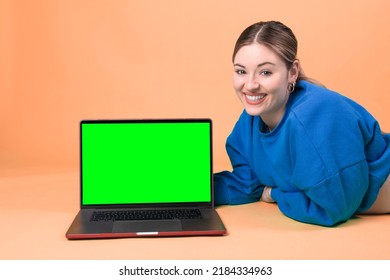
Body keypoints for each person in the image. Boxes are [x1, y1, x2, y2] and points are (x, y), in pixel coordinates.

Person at [213, 20, 390, 226]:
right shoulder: (251, 120)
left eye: (265, 72)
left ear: (293, 72)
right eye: (241, 71)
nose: (250, 85)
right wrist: (189, 190)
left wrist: (274, 194)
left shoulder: (313, 117)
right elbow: (249, 181)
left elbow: (333, 208)